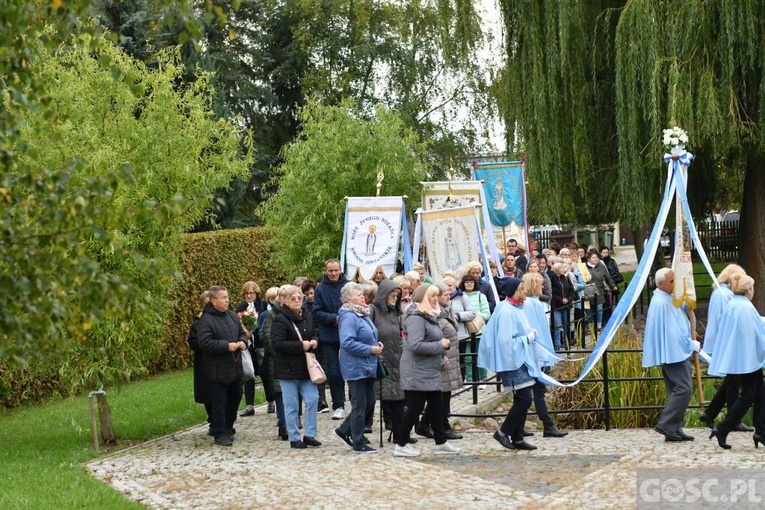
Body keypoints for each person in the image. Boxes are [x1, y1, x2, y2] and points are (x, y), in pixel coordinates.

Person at [394, 284, 461, 457]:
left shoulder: (429, 316)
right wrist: (440, 345)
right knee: (415, 408)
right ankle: (401, 444)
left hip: (429, 369)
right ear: (424, 297)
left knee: (436, 406)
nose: (435, 299)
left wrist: (442, 358)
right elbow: (416, 345)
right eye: (432, 296)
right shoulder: (416, 317)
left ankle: (441, 442)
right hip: (417, 370)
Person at [477, 277, 538, 450]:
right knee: (524, 400)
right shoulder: (506, 311)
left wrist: (529, 333)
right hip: (512, 360)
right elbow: (505, 341)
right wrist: (527, 337)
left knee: (522, 398)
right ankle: (503, 432)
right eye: (522, 289)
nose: (526, 292)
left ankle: (518, 438)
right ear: (515, 291)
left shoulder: (514, 307)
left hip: (519, 358)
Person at [707, 274, 765, 449]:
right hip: (747, 358)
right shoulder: (744, 307)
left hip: (743, 357)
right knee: (748, 397)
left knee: (761, 395)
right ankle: (724, 428)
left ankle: (761, 431)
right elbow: (755, 331)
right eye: (753, 288)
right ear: (749, 289)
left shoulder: (734, 304)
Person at [642, 268, 700, 442]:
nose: (675, 285)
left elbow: (680, 317)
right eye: (672, 282)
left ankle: (674, 427)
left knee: (676, 389)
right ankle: (667, 424)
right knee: (684, 389)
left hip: (674, 351)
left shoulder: (665, 298)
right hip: (674, 352)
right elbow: (673, 332)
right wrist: (690, 344)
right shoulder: (662, 302)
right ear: (661, 284)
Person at [698, 264, 751, 431]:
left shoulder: (720, 293)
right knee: (734, 382)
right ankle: (731, 419)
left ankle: (711, 414)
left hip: (725, 341)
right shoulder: (724, 295)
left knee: (732, 381)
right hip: (729, 342)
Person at [334, 283, 384, 453]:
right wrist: (370, 349)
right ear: (349, 299)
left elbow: (367, 335)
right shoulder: (349, 316)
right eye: (358, 295)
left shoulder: (362, 313)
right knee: (360, 403)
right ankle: (358, 441)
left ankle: (344, 430)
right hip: (356, 366)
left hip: (368, 364)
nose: (363, 297)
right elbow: (347, 342)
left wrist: (375, 343)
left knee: (370, 400)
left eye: (363, 294)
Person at [197, 285, 248, 447]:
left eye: (227, 297)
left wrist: (243, 342)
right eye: (223, 298)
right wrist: (227, 346)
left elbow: (242, 332)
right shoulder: (205, 320)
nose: (227, 300)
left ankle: (228, 426)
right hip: (216, 368)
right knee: (219, 402)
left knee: (236, 396)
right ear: (213, 301)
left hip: (235, 366)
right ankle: (219, 432)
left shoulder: (232, 316)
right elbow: (204, 342)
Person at [271, 285, 321, 449]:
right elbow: (277, 344)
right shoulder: (280, 319)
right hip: (288, 369)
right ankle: (294, 437)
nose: (297, 301)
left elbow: (314, 331)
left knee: (312, 399)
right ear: (285, 301)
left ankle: (310, 434)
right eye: (293, 298)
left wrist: (314, 341)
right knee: (291, 405)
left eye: (300, 298)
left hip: (306, 367)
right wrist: (301, 345)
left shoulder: (306, 314)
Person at [520, 273, 568, 437]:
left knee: (526, 393)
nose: (542, 287)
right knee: (537, 392)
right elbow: (536, 331)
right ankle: (547, 426)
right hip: (534, 355)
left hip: (533, 354)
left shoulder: (530, 303)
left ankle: (520, 426)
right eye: (540, 284)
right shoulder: (532, 304)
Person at [417, 283, 465, 441]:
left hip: (450, 357)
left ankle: (424, 425)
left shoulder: (446, 311)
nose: (448, 296)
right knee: (441, 396)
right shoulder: (435, 315)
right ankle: (443, 427)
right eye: (445, 294)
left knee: (443, 395)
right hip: (441, 359)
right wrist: (442, 356)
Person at [369, 279, 409, 443]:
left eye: (396, 295)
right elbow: (368, 333)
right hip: (381, 359)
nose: (394, 298)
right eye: (392, 295)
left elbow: (399, 334)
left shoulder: (395, 312)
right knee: (386, 397)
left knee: (399, 398)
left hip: (397, 358)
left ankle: (399, 433)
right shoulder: (373, 311)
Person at [313, 259, 349, 420]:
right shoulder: (320, 289)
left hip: (348, 334)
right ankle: (339, 404)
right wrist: (334, 319)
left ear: (340, 270)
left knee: (352, 370)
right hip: (329, 336)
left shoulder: (348, 286)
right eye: (330, 271)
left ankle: (357, 403)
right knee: (334, 372)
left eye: (336, 270)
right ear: (325, 271)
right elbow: (316, 311)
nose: (334, 273)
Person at [235, 281, 267, 418]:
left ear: (256, 293)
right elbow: (238, 322)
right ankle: (249, 405)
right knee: (249, 373)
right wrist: (245, 332)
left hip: (261, 343)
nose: (249, 296)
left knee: (265, 372)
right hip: (248, 345)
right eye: (246, 293)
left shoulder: (262, 304)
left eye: (251, 293)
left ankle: (271, 401)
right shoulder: (241, 307)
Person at [261, 286, 287, 440]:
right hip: (277, 360)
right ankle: (284, 425)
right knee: (281, 393)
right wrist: (280, 353)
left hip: (295, 360)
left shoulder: (300, 313)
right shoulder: (271, 315)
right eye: (283, 296)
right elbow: (267, 337)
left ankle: (290, 421)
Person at [443, 275, 477, 383]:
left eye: (450, 285)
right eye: (445, 285)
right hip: (445, 335)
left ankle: (461, 380)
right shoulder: (441, 298)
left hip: (460, 333)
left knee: (460, 359)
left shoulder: (463, 297)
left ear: (455, 286)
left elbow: (472, 313)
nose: (448, 288)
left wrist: (458, 316)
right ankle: (450, 381)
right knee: (448, 359)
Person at [187, 290, 212, 424]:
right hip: (203, 361)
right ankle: (212, 417)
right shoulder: (197, 323)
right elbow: (192, 342)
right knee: (207, 392)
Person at [461, 274, 490, 382]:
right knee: (468, 357)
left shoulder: (480, 296)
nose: (469, 284)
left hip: (479, 329)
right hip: (465, 331)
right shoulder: (460, 297)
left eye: (471, 282)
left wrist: (473, 315)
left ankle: (483, 379)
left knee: (480, 355)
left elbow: (487, 314)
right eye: (466, 282)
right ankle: (470, 379)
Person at [584, 249, 616, 330]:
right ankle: (591, 325)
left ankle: (599, 324)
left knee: (599, 308)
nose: (596, 259)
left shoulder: (601, 266)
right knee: (589, 309)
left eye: (596, 257)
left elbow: (608, 277)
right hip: (588, 291)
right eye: (593, 257)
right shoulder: (584, 267)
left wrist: (613, 286)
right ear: (589, 259)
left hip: (600, 290)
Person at [550, 262, 576, 351]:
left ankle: (566, 343)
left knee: (566, 324)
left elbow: (572, 291)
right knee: (557, 325)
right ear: (557, 269)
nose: (563, 269)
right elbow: (552, 293)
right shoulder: (552, 279)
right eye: (561, 268)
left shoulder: (566, 278)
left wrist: (568, 299)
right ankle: (557, 344)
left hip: (566, 305)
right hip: (557, 306)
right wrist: (560, 299)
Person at [599, 247, 623, 326]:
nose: (605, 254)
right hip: (603, 285)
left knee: (609, 302)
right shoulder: (600, 262)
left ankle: (609, 318)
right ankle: (604, 319)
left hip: (610, 284)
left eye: (607, 252)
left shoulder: (611, 261)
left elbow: (616, 272)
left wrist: (611, 279)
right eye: (604, 252)